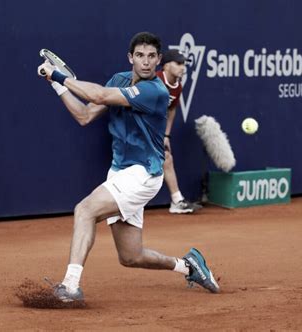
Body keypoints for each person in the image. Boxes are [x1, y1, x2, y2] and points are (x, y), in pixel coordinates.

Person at [37, 32, 220, 303]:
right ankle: (189, 265)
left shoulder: (154, 91)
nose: (145, 62)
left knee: (84, 211)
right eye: (139, 55)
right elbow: (84, 115)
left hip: (144, 173)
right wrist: (57, 86)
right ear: (130, 58)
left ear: (158, 60)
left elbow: (98, 95)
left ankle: (70, 286)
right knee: (131, 256)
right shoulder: (119, 81)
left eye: (151, 57)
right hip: (120, 171)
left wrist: (59, 75)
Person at [156, 49, 197, 214]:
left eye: (184, 64)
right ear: (166, 66)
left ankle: (177, 200)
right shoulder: (155, 80)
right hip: (135, 130)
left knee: (167, 158)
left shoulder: (177, 87)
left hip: (155, 131)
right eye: (178, 63)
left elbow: (171, 110)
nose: (183, 67)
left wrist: (166, 135)